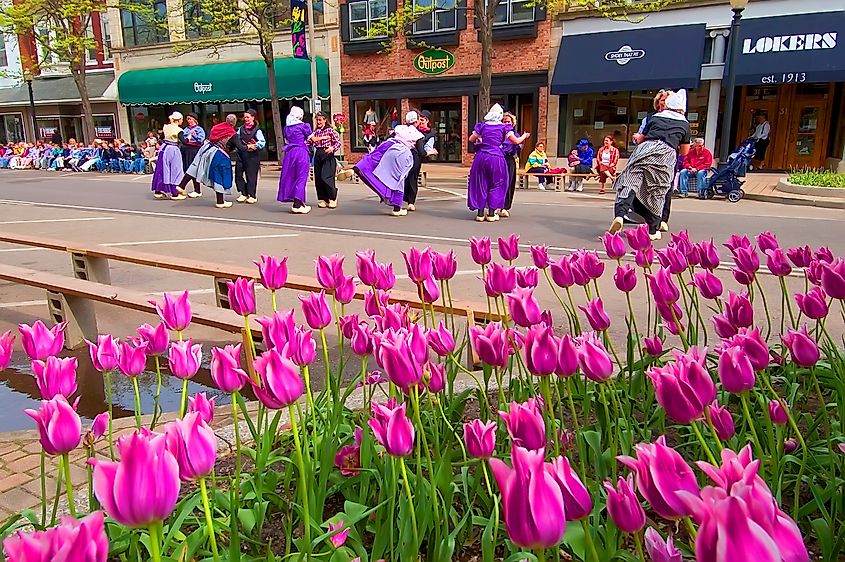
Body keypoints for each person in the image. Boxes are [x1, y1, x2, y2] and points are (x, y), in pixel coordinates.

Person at [610, 89, 690, 241]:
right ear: (681, 110)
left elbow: (641, 139)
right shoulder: (684, 124)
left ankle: (620, 215)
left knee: (630, 180)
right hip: (666, 154)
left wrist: (638, 137)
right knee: (658, 189)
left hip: (645, 149)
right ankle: (653, 229)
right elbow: (685, 151)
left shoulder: (655, 118)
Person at [468, 104, 530, 222]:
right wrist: (524, 136)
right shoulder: (503, 128)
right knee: (497, 183)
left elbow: (471, 139)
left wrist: (482, 138)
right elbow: (516, 141)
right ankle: (491, 213)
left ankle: (480, 213)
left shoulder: (482, 126)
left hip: (481, 156)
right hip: (496, 157)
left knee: (481, 183)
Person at [354, 124, 423, 217]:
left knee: (373, 159)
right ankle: (396, 207)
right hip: (402, 151)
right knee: (398, 179)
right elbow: (421, 150)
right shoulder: (416, 133)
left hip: (389, 144)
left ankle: (357, 168)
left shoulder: (399, 129)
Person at [277, 106, 313, 214]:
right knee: (301, 177)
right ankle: (297, 204)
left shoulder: (287, 128)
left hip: (290, 153)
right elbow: (312, 139)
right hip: (301, 152)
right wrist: (324, 138)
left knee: (291, 176)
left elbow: (287, 141)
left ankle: (299, 202)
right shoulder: (304, 126)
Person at [404, 110, 436, 212]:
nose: (420, 122)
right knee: (403, 177)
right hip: (405, 156)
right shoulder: (413, 129)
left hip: (417, 158)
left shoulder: (430, 134)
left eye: (422, 120)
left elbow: (427, 148)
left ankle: (411, 202)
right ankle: (399, 198)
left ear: (427, 120)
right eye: (419, 120)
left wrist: (429, 152)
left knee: (412, 178)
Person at [150, 111, 186, 200]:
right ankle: (174, 193)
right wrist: (189, 137)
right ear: (178, 120)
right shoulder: (179, 130)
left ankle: (158, 191)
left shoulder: (166, 127)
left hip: (164, 148)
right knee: (175, 170)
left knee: (162, 169)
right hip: (173, 149)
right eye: (182, 119)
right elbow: (184, 142)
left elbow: (161, 137)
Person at [310, 111, 341, 209]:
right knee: (318, 178)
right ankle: (323, 198)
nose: (318, 122)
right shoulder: (315, 131)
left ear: (325, 120)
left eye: (320, 120)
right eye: (317, 120)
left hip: (327, 154)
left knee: (326, 176)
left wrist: (332, 148)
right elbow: (310, 141)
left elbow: (338, 142)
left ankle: (332, 197)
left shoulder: (330, 130)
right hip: (318, 153)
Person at [235, 109, 265, 204]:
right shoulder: (241, 129)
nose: (246, 119)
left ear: (253, 117)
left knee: (251, 176)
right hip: (241, 154)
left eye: (248, 117)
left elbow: (262, 142)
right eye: (245, 117)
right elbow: (236, 138)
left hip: (252, 156)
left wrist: (255, 145)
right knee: (238, 174)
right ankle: (243, 193)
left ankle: (252, 195)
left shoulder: (257, 130)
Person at [500, 112, 522, 217]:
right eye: (505, 121)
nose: (507, 123)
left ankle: (505, 207)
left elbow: (517, 146)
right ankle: (494, 206)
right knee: (498, 183)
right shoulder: (498, 134)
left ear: (513, 123)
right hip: (499, 159)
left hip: (509, 159)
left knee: (509, 183)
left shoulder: (515, 135)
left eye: (509, 122)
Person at [180, 113, 206, 196]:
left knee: (193, 169)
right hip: (185, 149)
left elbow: (201, 140)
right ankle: (190, 188)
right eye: (187, 119)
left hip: (194, 149)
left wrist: (194, 136)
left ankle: (197, 190)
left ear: (195, 120)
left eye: (190, 119)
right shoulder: (185, 129)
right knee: (186, 168)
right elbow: (183, 139)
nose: (189, 121)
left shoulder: (199, 129)